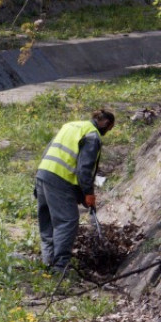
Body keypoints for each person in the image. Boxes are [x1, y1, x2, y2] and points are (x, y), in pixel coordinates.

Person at [34, 109, 115, 274]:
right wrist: (88, 193)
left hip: (43, 174)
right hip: (60, 180)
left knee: (48, 221)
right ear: (107, 124)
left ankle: (48, 261)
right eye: (110, 129)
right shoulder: (93, 136)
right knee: (67, 221)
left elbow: (48, 150)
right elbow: (84, 170)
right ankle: (59, 268)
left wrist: (38, 181)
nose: (107, 132)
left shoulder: (70, 125)